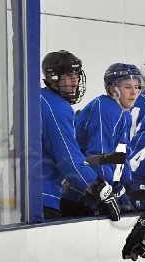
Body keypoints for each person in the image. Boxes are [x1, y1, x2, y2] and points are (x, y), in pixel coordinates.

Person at [74, 62, 145, 220]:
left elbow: (121, 154)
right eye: (128, 87)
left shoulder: (124, 113)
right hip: (83, 191)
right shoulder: (104, 108)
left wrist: (126, 185)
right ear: (113, 89)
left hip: (99, 188)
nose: (134, 92)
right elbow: (99, 155)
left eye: (137, 87)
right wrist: (109, 189)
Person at [38, 50, 102, 220]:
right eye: (68, 74)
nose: (75, 79)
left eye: (76, 73)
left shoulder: (39, 98)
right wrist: (98, 189)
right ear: (53, 78)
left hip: (18, 191)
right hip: (40, 195)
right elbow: (67, 158)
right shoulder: (56, 106)